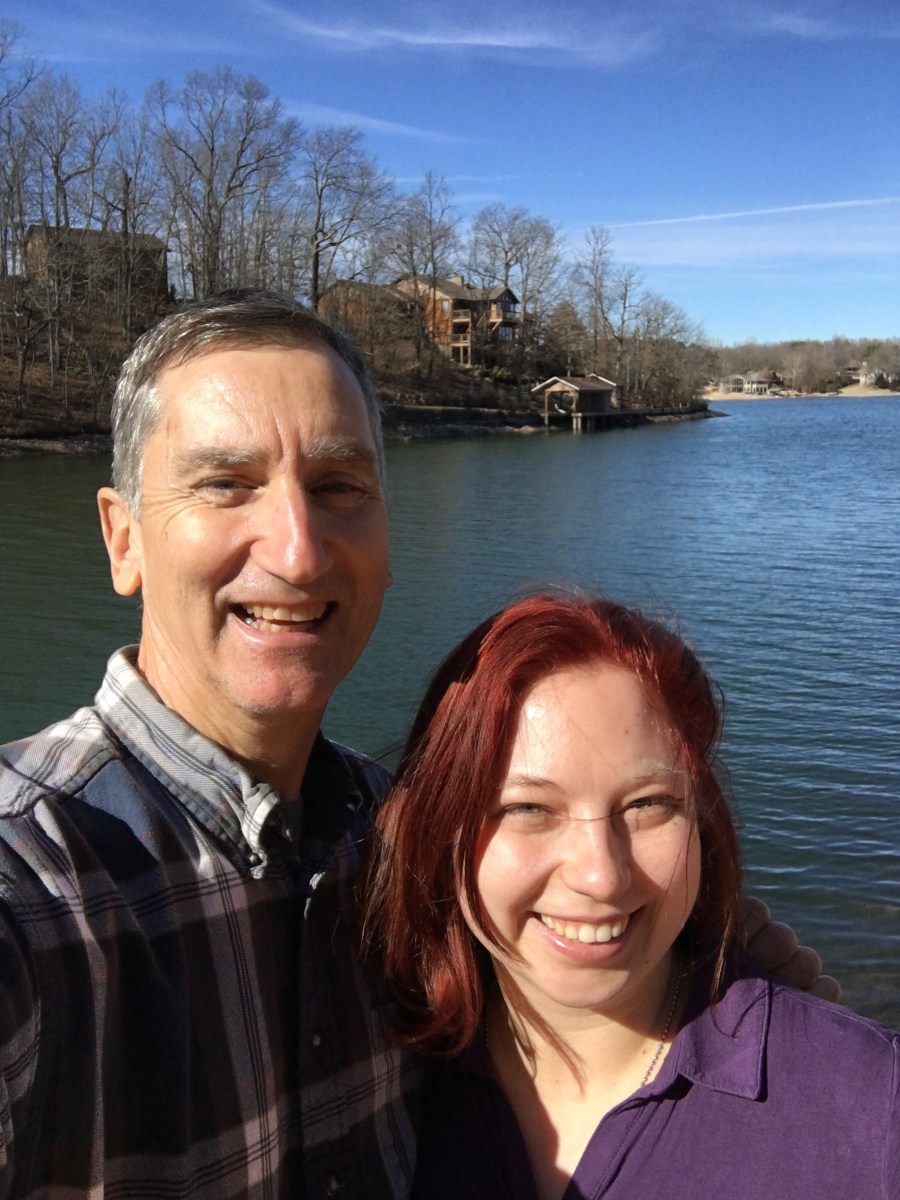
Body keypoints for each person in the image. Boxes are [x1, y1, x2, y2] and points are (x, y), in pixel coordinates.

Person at [0, 290, 834, 1198]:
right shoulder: (36, 887)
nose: (299, 551)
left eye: (339, 487)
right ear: (123, 540)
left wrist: (726, 977)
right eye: (226, 484)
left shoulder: (413, 842)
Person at [364, 592, 899, 1199]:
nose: (602, 876)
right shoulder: (374, 1073)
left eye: (648, 804)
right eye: (528, 808)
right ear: (439, 831)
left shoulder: (870, 1112)